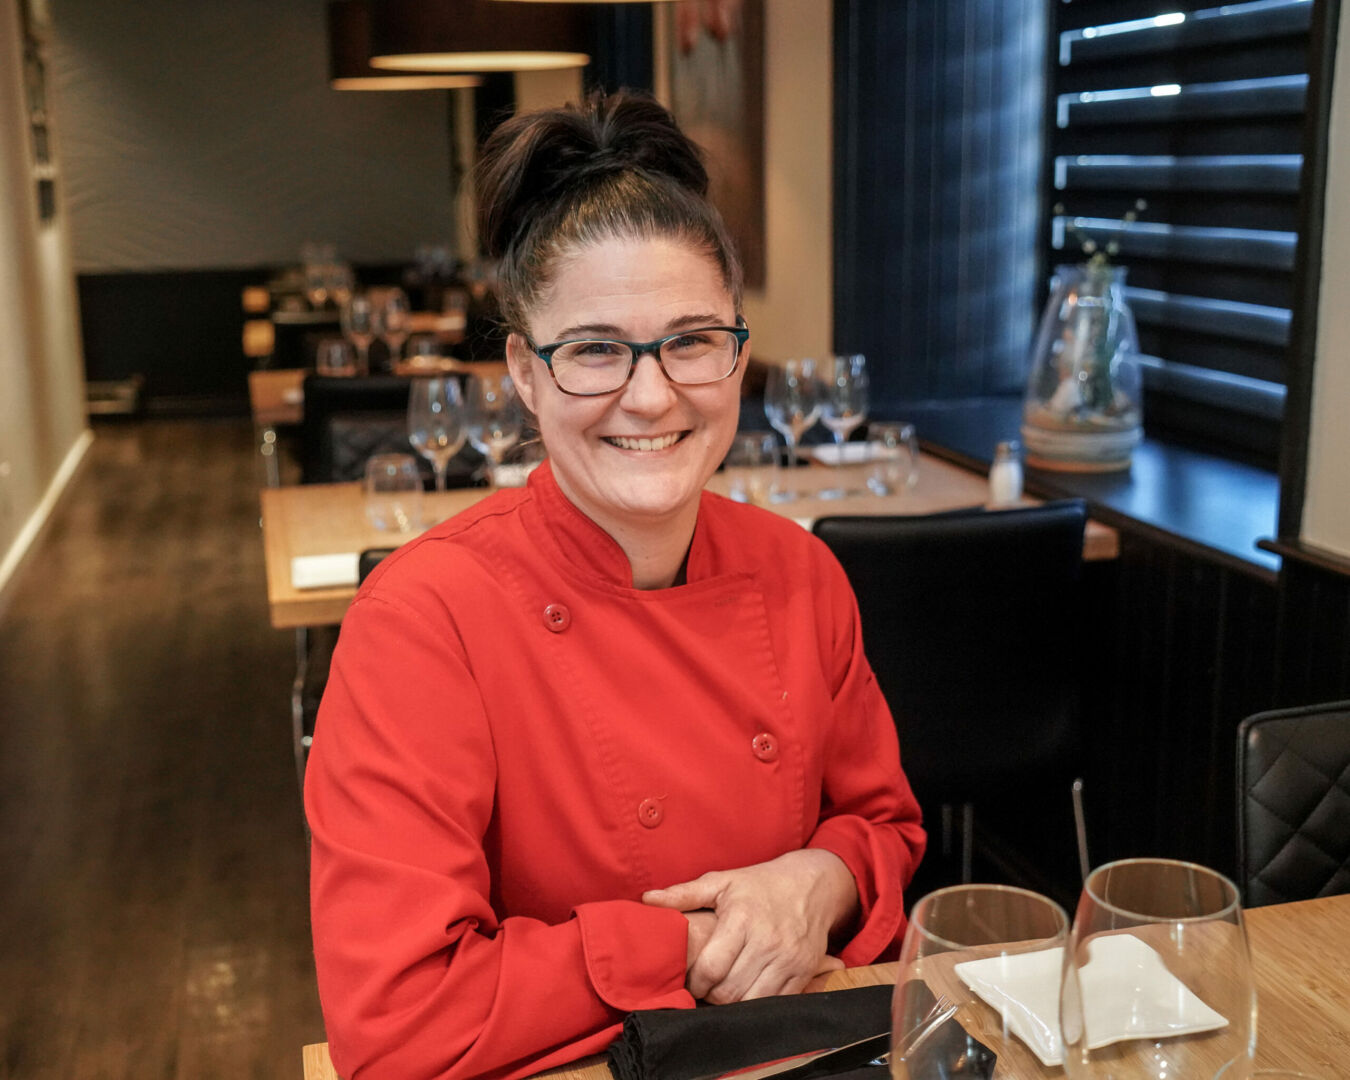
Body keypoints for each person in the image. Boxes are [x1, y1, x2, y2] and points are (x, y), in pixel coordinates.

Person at [306, 91, 925, 1080]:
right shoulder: (422, 624)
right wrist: (690, 942)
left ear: (738, 352)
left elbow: (885, 826)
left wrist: (820, 880)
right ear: (524, 370)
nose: (651, 394)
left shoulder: (801, 571)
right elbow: (398, 1020)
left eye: (690, 340)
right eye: (595, 349)